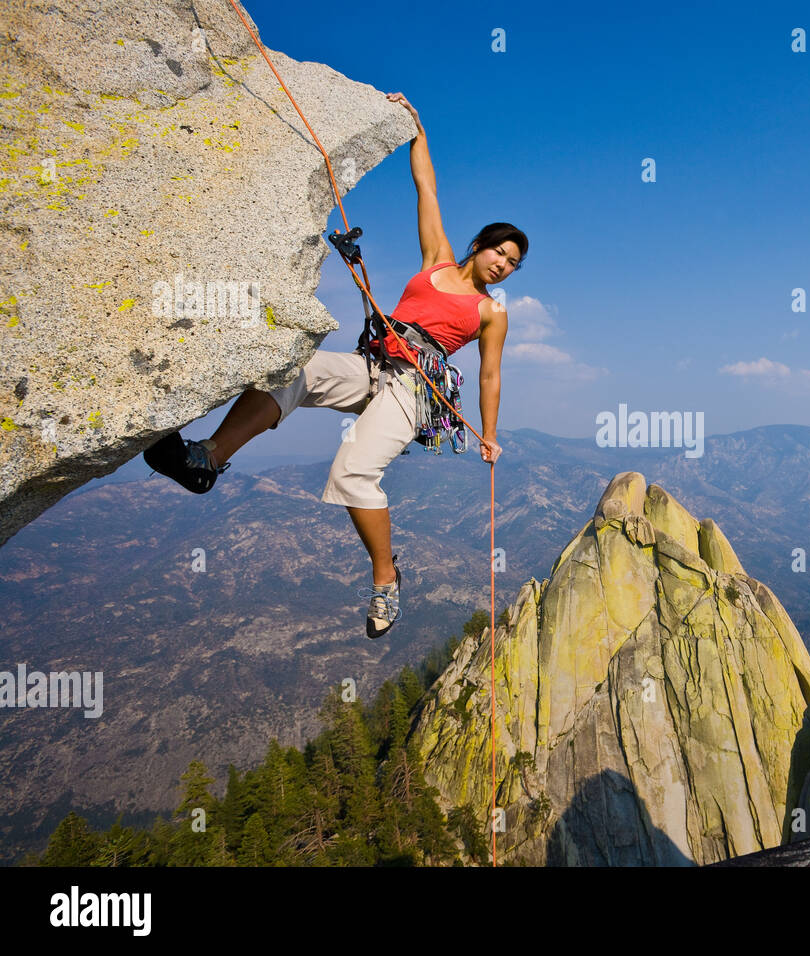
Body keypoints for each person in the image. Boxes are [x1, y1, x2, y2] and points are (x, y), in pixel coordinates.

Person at [142, 91, 524, 640]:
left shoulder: (491, 313)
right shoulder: (437, 258)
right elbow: (427, 187)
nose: (504, 266)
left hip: (415, 388)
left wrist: (489, 434)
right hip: (373, 363)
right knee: (291, 370)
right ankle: (205, 459)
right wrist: (416, 128)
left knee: (351, 472)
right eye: (500, 253)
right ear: (479, 246)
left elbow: (490, 375)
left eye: (513, 264)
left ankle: (386, 579)